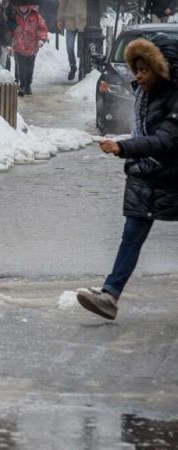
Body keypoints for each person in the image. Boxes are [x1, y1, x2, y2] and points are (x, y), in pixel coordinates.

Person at [77, 34, 178, 320]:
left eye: (145, 70)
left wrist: (123, 147)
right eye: (137, 69)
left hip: (171, 172)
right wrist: (129, 148)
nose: (139, 76)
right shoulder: (145, 96)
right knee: (132, 235)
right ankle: (110, 295)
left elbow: (164, 141)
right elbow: (146, 138)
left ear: (162, 69)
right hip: (150, 173)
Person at [10, 4, 48, 96]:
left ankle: (28, 84)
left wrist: (41, 39)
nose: (23, 7)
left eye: (25, 5)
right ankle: (22, 85)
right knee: (21, 66)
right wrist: (9, 42)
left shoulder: (36, 15)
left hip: (32, 46)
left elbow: (42, 28)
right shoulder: (14, 15)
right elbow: (10, 29)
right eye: (21, 5)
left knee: (30, 67)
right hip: (18, 45)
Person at [57, 0, 86, 81]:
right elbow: (62, 4)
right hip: (70, 19)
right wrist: (59, 19)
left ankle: (81, 69)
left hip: (83, 20)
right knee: (69, 46)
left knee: (82, 48)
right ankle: (73, 66)